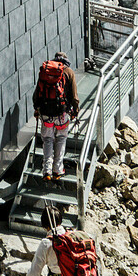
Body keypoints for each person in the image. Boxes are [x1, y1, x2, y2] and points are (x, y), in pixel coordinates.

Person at [33, 51, 79, 181]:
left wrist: (37, 109)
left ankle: (46, 170)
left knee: (47, 140)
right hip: (61, 114)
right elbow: (74, 97)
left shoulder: (45, 72)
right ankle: (57, 170)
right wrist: (75, 111)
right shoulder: (69, 72)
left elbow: (37, 93)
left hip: (46, 113)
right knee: (61, 139)